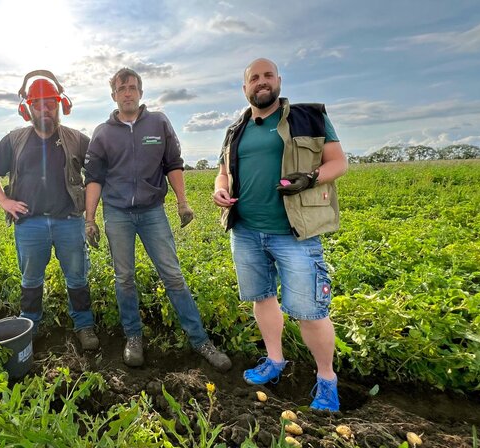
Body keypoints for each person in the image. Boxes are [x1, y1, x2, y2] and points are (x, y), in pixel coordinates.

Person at [213, 58, 348, 411]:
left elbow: (338, 162)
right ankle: (274, 360)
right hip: (245, 230)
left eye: (267, 76)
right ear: (245, 89)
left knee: (310, 311)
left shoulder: (309, 117)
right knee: (262, 298)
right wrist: (219, 189)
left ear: (278, 82)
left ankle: (326, 379)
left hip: (294, 232)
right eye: (253, 78)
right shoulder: (235, 130)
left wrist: (310, 178)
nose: (261, 82)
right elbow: (223, 173)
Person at [84, 67, 231, 372]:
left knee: (173, 276)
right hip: (117, 213)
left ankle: (200, 339)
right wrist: (89, 219)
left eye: (133, 87)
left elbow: (173, 164)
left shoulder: (158, 123)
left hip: (153, 212)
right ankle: (133, 337)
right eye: (122, 88)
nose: (128, 92)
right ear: (113, 95)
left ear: (140, 92)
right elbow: (94, 178)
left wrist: (182, 203)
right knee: (124, 278)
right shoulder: (103, 133)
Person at [0, 70, 99, 350]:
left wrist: (90, 215)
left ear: (61, 105)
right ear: (27, 108)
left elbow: (96, 175)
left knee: (77, 277)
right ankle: (30, 325)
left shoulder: (77, 139)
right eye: (38, 104)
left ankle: (84, 325)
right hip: (29, 224)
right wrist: (4, 201)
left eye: (51, 103)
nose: (45, 109)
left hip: (69, 221)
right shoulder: (14, 140)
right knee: (31, 280)